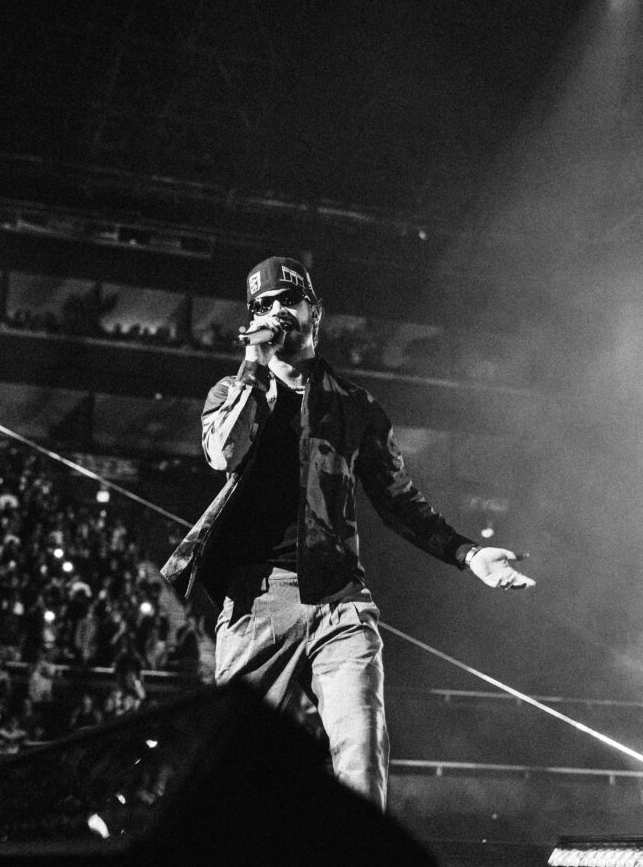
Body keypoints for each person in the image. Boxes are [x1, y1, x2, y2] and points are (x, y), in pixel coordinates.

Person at [161, 256, 535, 811]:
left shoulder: (356, 407)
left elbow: (400, 501)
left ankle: (362, 851)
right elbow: (223, 453)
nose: (275, 312)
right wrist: (252, 365)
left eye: (287, 300)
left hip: (340, 600)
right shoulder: (233, 390)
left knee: (361, 754)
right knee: (232, 769)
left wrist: (468, 553)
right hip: (257, 604)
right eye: (262, 306)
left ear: (315, 312)